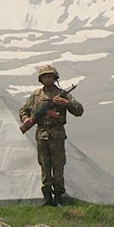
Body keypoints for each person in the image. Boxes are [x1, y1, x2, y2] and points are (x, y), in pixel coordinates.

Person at [19, 65, 84, 206]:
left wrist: (66, 103)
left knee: (58, 165)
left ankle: (59, 195)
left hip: (57, 133)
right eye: (44, 77)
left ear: (54, 78)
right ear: (41, 79)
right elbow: (24, 110)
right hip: (42, 133)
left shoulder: (63, 94)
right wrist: (26, 120)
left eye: (50, 76)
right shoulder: (36, 95)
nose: (47, 79)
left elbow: (79, 110)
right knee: (44, 164)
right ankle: (47, 196)